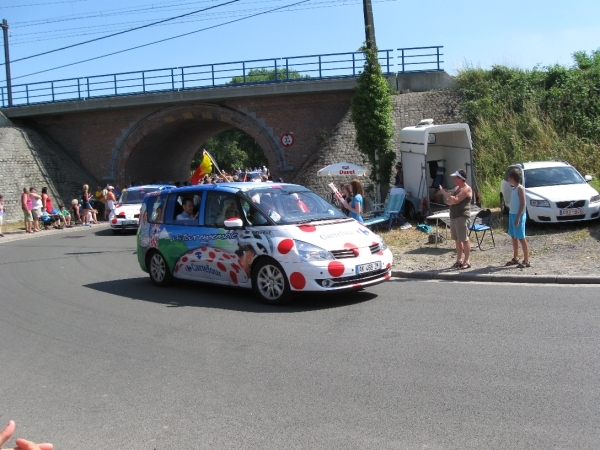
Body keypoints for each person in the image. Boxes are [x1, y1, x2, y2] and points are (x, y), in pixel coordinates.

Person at [439, 169, 473, 269]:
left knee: (464, 239)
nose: (454, 179)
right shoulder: (456, 188)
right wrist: (450, 199)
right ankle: (459, 260)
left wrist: (444, 193)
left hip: (462, 217)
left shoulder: (466, 189)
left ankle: (467, 261)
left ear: (461, 178)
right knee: (457, 240)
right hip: (454, 216)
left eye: (456, 177)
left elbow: (456, 200)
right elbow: (449, 201)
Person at [505, 168, 530, 268]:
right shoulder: (513, 188)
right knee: (513, 236)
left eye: (509, 177)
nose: (508, 179)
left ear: (512, 178)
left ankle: (526, 259)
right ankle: (515, 257)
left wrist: (518, 217)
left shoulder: (520, 188)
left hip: (518, 215)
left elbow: (523, 203)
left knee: (521, 237)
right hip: (512, 214)